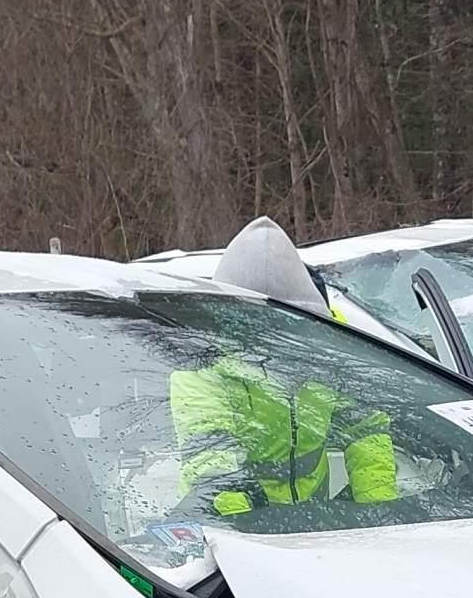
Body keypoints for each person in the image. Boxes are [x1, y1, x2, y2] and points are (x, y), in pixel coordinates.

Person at [170, 217, 399, 517]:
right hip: (237, 525)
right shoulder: (201, 369)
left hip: (315, 515)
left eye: (292, 328)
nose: (280, 338)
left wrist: (382, 517)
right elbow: (213, 472)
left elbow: (366, 434)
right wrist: (253, 537)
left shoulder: (330, 352)